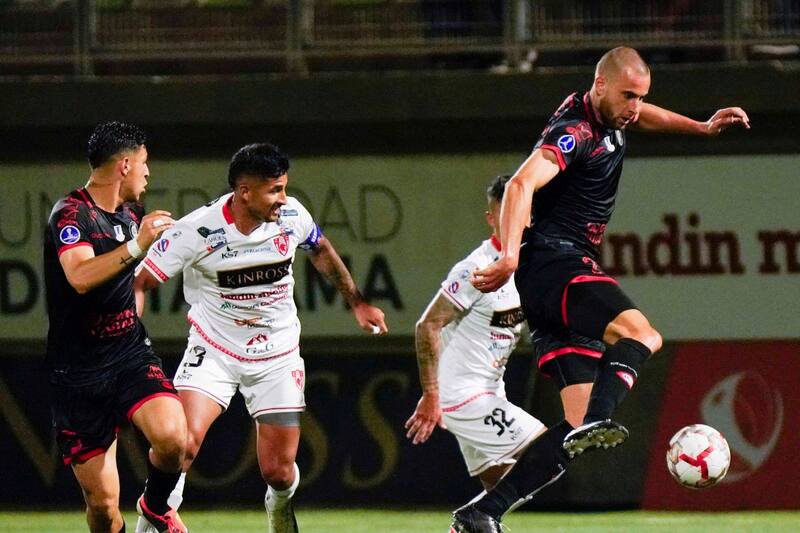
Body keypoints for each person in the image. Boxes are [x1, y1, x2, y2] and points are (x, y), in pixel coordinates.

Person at [452, 46, 750, 532]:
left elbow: (645, 116)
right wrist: (508, 254)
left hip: (547, 278)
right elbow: (520, 186)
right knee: (642, 335)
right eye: (628, 96)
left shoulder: (611, 113)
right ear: (601, 85)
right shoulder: (576, 132)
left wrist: (698, 126)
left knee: (570, 429)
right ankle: (603, 418)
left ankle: (481, 513)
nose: (635, 107)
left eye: (641, 97)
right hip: (555, 262)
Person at [133, 142, 388, 533]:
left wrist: (357, 302)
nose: (283, 199)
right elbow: (141, 282)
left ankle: (280, 507)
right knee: (181, 444)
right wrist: (130, 338)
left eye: (284, 187)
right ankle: (153, 521)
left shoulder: (291, 216)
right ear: (244, 192)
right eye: (275, 190)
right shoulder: (196, 230)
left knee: (279, 472)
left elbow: (320, 248)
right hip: (214, 349)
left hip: (277, 354)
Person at [404, 174, 604, 494]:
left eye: (518, 209)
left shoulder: (532, 267)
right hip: (465, 396)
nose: (511, 219)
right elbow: (427, 326)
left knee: (500, 488)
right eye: (502, 212)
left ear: (529, 214)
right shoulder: (478, 268)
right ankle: (471, 521)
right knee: (548, 452)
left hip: (491, 392)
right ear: (491, 219)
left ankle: (472, 524)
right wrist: (432, 395)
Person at [44, 121, 189, 533]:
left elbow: (130, 276)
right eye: (144, 163)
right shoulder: (70, 214)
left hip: (128, 354)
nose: (148, 173)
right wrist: (139, 245)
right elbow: (81, 276)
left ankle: (156, 504)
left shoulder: (132, 215)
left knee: (173, 436)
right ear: (125, 165)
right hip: (77, 374)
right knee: (104, 508)